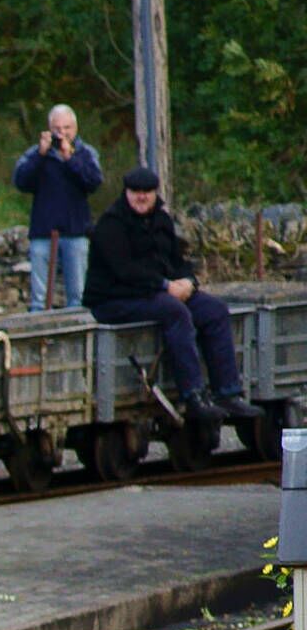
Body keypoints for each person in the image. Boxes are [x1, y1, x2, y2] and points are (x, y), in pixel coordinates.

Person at [87, 164, 257, 432]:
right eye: (135, 192)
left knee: (214, 310)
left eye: (147, 192)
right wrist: (166, 286)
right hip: (115, 298)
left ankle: (228, 392)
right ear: (126, 193)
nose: (141, 197)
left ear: (155, 193)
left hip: (156, 292)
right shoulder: (111, 225)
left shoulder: (161, 221)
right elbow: (124, 270)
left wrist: (188, 281)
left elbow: (177, 260)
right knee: (174, 311)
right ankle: (193, 395)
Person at [13, 106, 106, 312]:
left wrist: (70, 158)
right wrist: (40, 155)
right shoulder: (36, 153)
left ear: (75, 128)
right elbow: (21, 181)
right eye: (57, 128)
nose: (62, 133)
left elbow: (94, 182)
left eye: (67, 128)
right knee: (39, 298)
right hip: (43, 232)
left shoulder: (85, 153)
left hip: (75, 232)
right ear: (49, 129)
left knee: (77, 296)